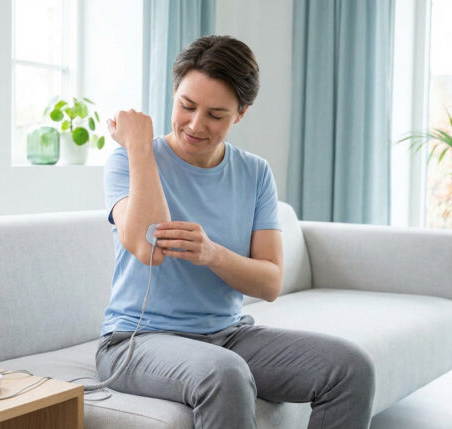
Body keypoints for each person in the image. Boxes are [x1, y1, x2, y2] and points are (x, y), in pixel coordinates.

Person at [98, 35, 375, 429]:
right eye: (186, 106)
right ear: (173, 93)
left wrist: (213, 254)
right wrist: (140, 145)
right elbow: (149, 249)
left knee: (350, 368)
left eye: (216, 115)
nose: (196, 125)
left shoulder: (254, 173)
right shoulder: (128, 160)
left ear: (240, 114)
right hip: (135, 343)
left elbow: (270, 283)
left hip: (227, 335)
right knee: (224, 373)